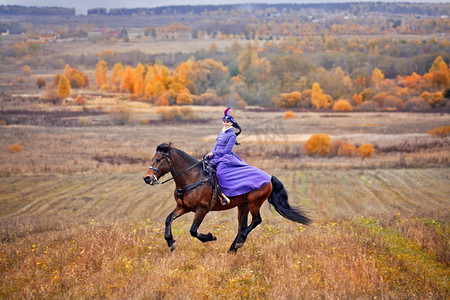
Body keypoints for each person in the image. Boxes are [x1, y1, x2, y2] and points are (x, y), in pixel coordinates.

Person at [206, 107, 271, 205]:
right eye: (224, 122)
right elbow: (216, 147)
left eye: (227, 122)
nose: (225, 123)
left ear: (231, 123)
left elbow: (227, 150)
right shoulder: (220, 134)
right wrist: (209, 153)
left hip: (225, 157)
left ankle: (224, 194)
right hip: (216, 156)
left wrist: (214, 153)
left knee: (220, 173)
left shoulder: (232, 135)